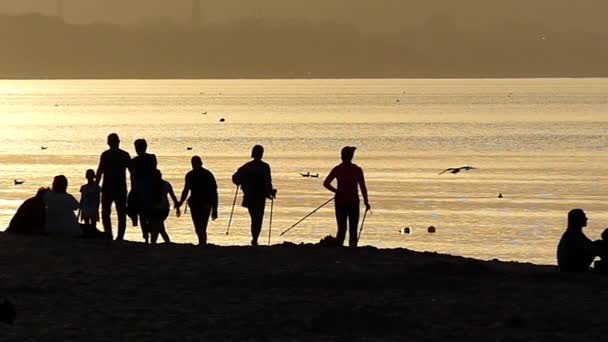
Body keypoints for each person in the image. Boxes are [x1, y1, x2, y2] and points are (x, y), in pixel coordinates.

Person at [323, 146, 371, 248]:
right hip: (350, 202)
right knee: (351, 228)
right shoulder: (356, 170)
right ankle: (351, 248)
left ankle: (340, 247)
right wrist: (366, 202)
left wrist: (336, 191)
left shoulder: (338, 169)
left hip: (343, 202)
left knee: (342, 228)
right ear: (351, 156)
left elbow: (326, 183)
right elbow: (363, 187)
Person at [232, 145, 276, 246]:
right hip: (255, 196)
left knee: (256, 218)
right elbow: (235, 178)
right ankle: (255, 238)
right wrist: (270, 191)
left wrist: (271, 191)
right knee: (257, 218)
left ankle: (255, 238)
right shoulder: (263, 167)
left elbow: (268, 182)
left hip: (254, 196)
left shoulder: (249, 166)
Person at [177, 156, 219, 246]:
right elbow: (214, 193)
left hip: (200, 203)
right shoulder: (207, 174)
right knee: (201, 225)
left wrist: (180, 202)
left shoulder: (193, 175)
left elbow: (186, 190)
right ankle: (202, 242)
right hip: (201, 203)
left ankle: (202, 242)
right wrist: (215, 209)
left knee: (199, 225)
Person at [96, 133, 131, 240]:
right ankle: (119, 236)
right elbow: (132, 172)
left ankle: (109, 234)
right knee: (121, 213)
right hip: (120, 187)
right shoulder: (124, 155)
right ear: (118, 142)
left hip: (108, 187)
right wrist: (134, 186)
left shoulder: (105, 155)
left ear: (108, 143)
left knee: (106, 212)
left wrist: (96, 185)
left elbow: (99, 171)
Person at [129, 138, 158, 244]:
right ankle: (148, 234)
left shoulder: (135, 161)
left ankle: (145, 235)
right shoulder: (151, 158)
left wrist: (133, 189)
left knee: (141, 213)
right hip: (149, 188)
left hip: (141, 188)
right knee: (148, 213)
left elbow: (132, 176)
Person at [148, 169, 178, 244]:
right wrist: (177, 206)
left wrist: (177, 206)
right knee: (158, 226)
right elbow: (173, 196)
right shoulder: (166, 184)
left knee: (157, 226)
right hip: (163, 209)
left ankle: (154, 241)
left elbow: (173, 196)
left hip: (157, 209)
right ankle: (164, 241)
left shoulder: (151, 185)